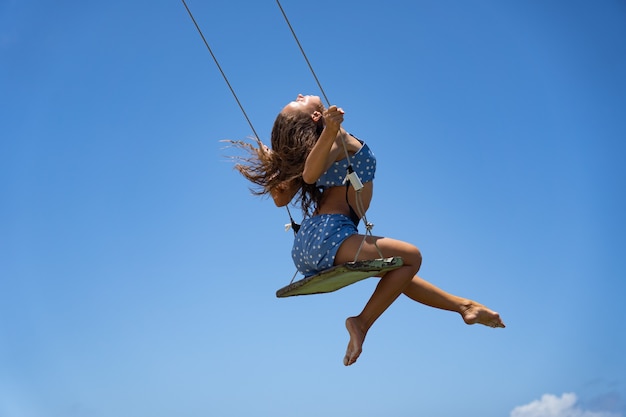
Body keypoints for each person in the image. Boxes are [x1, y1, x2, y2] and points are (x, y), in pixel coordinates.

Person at [230, 94, 505, 366]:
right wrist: (331, 130)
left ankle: (463, 306)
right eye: (298, 101)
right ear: (316, 116)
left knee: (394, 270)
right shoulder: (335, 140)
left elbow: (282, 198)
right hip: (330, 235)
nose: (300, 94)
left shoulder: (317, 153)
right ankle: (360, 323)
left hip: (307, 246)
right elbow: (309, 177)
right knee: (413, 257)